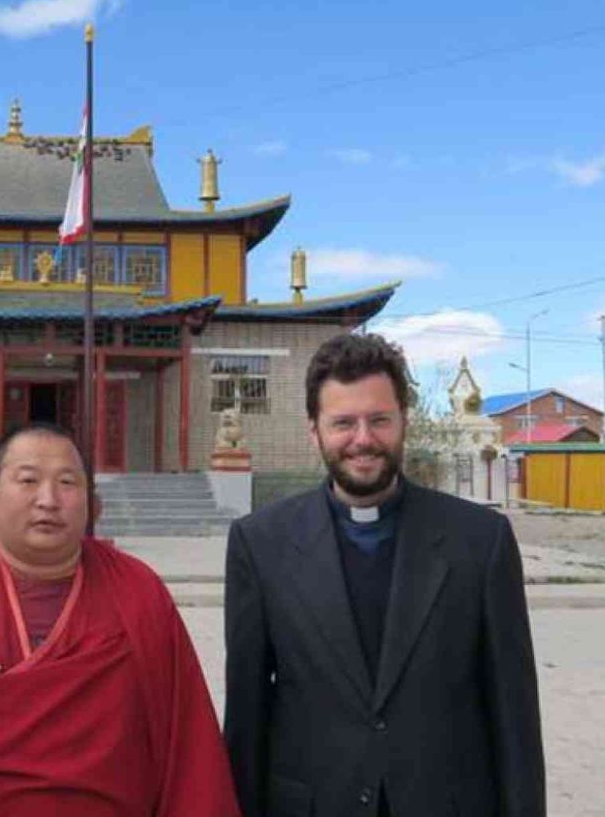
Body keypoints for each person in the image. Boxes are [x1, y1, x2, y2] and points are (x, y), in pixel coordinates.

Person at [224, 333, 544, 817]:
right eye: (343, 423)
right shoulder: (259, 544)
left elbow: (514, 716)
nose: (363, 439)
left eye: (379, 420)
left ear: (403, 422)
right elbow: (246, 714)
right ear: (314, 431)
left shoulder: (481, 541)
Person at [0, 422, 240, 817]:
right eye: (28, 480)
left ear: (91, 502)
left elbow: (188, 739)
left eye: (67, 483)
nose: (48, 500)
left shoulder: (138, 592)